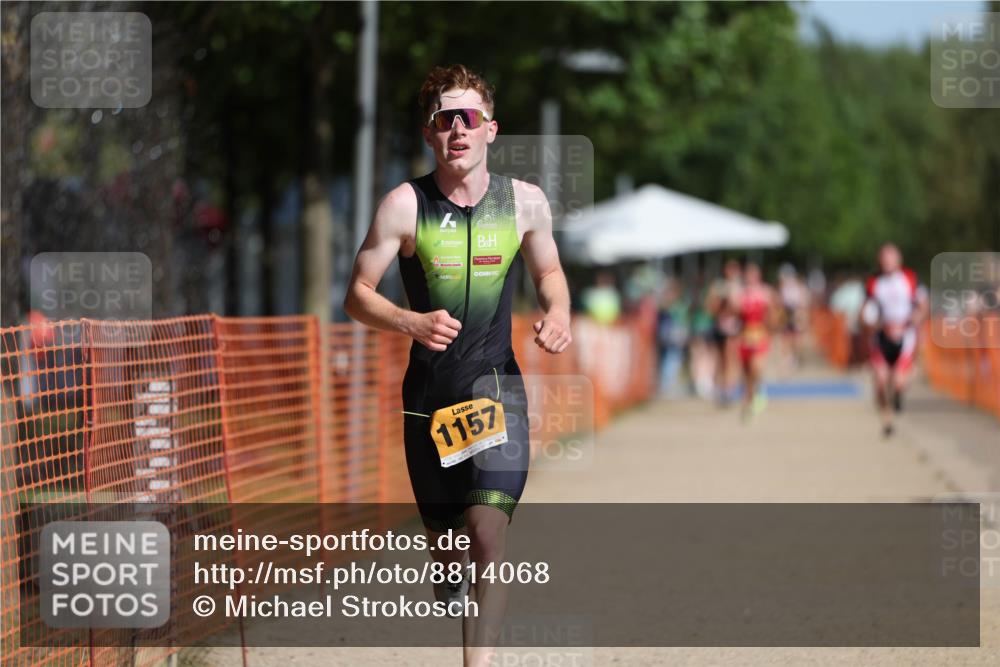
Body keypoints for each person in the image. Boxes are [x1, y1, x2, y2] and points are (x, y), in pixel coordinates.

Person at [343, 64, 572, 666]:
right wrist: (410, 322)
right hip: (430, 398)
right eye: (446, 120)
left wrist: (559, 311)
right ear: (430, 134)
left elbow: (549, 273)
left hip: (497, 390)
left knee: (487, 536)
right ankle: (446, 571)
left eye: (470, 119)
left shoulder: (524, 202)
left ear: (491, 129)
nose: (459, 130)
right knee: (448, 548)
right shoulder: (403, 205)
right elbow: (357, 294)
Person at [861, 243, 927, 437]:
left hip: (905, 336)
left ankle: (899, 393)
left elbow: (923, 306)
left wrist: (915, 318)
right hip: (881, 337)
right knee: (881, 381)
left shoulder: (910, 278)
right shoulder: (874, 282)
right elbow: (865, 311)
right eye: (884, 257)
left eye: (890, 257)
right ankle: (887, 420)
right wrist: (871, 322)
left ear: (898, 260)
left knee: (897, 381)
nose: (887, 261)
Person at [734, 263, 776, 419]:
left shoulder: (765, 292)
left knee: (755, 367)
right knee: (746, 372)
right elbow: (736, 315)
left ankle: (759, 392)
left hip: (760, 333)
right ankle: (749, 397)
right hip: (745, 335)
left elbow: (771, 314)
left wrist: (770, 331)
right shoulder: (741, 294)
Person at [705, 259, 743, 405]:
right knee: (720, 360)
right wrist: (720, 302)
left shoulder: (739, 287)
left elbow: (740, 309)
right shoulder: (718, 286)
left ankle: (728, 389)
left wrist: (733, 305)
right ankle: (719, 388)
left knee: (730, 359)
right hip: (719, 327)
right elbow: (710, 308)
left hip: (733, 329)